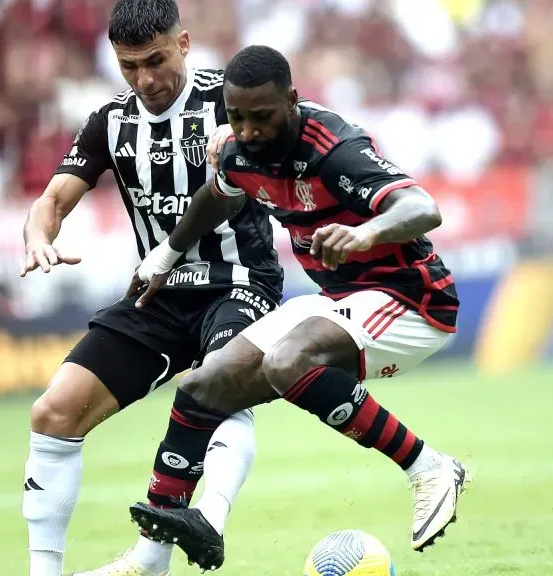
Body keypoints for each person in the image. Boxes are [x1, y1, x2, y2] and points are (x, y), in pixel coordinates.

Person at [124, 45, 470, 572]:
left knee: (287, 362)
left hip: (410, 299)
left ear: (291, 99)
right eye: (236, 116)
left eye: (261, 117)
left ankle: (429, 467)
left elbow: (424, 207)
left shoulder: (335, 148)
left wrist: (364, 233)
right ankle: (157, 554)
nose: (248, 130)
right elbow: (218, 197)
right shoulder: (238, 150)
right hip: (339, 299)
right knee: (202, 387)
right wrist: (165, 256)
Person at [18, 3, 284, 576]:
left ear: (184, 43)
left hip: (238, 283)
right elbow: (53, 200)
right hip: (156, 295)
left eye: (156, 60)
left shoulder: (229, 101)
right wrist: (39, 237)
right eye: (129, 66)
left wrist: (246, 148)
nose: (145, 80)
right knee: (53, 412)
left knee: (217, 385)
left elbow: (299, 145)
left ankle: (203, 522)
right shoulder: (110, 122)